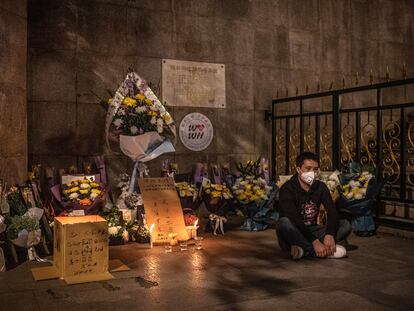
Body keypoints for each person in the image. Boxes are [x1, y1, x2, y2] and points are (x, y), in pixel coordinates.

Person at [276, 152, 352, 260]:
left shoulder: (320, 187)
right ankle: (322, 251)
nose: (312, 172)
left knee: (345, 225)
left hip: (313, 229)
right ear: (298, 169)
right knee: (283, 223)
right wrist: (315, 242)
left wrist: (329, 234)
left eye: (315, 169)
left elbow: (332, 212)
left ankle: (303, 250)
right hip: (294, 230)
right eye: (308, 168)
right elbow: (294, 219)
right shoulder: (287, 189)